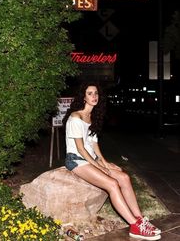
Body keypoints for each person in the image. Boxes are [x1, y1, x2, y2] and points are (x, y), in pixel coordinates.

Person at [63, 82, 161, 240]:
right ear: (83, 96)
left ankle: (139, 219)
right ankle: (134, 226)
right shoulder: (76, 117)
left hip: (90, 158)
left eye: (96, 93)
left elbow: (94, 144)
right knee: (112, 184)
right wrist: (99, 167)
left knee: (124, 177)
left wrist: (105, 162)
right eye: (90, 93)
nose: (94, 96)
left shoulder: (93, 117)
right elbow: (80, 149)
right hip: (76, 160)